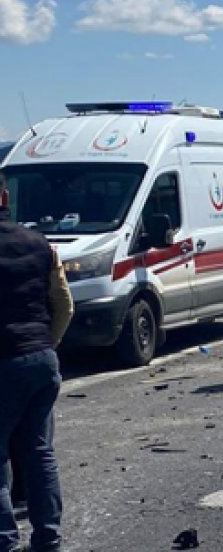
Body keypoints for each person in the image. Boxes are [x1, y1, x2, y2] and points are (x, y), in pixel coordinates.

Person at [0, 215, 74, 552]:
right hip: (41, 360)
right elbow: (64, 304)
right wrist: (47, 345)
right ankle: (48, 539)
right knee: (39, 451)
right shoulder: (41, 244)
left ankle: (6, 541)